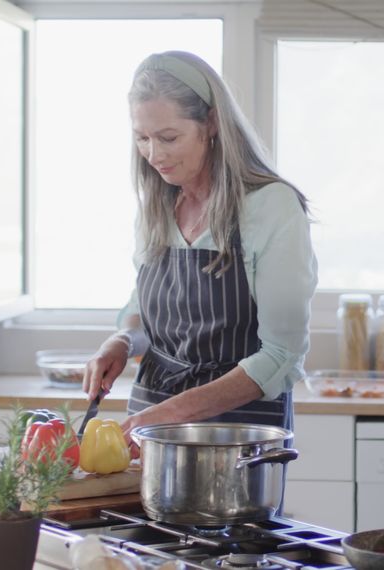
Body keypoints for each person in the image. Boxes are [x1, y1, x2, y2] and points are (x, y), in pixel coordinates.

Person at [82, 51, 317, 437]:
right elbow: (144, 314)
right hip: (149, 416)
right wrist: (122, 342)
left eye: (169, 137)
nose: (154, 155)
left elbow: (281, 356)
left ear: (210, 123)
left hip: (237, 432)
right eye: (142, 138)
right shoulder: (157, 205)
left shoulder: (271, 207)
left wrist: (167, 416)